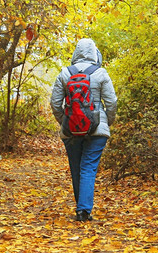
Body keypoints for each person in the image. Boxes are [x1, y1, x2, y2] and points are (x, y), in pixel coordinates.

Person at [50, 38, 118, 222]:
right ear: (95, 53)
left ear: (76, 53)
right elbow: (111, 103)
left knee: (76, 168)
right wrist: (106, 122)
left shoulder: (64, 73)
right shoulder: (101, 73)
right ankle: (84, 211)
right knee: (88, 167)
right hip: (97, 129)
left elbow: (55, 103)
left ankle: (81, 208)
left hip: (71, 129)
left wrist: (65, 121)